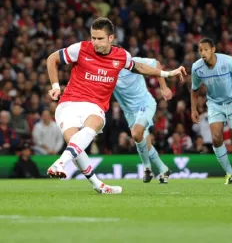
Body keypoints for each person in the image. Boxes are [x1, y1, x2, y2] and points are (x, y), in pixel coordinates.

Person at [47, 17, 186, 194]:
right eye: (93, 38)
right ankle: (98, 184)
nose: (95, 43)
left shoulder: (121, 56)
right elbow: (52, 59)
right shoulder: (81, 48)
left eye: (100, 39)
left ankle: (60, 163)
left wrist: (168, 74)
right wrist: (55, 86)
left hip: (94, 106)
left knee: (94, 125)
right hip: (69, 103)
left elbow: (141, 68)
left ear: (111, 38)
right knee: (74, 143)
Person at [191, 37, 232, 185]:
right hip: (215, 104)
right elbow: (194, 89)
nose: (203, 53)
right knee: (215, 137)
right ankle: (230, 173)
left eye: (206, 49)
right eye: (200, 50)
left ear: (213, 49)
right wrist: (193, 109)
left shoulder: (228, 62)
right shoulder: (196, 67)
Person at [113, 57, 172, 184]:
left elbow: (156, 63)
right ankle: (163, 169)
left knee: (136, 133)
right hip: (129, 112)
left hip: (144, 103)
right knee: (144, 143)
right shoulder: (106, 71)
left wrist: (163, 87)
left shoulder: (132, 61)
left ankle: (146, 168)